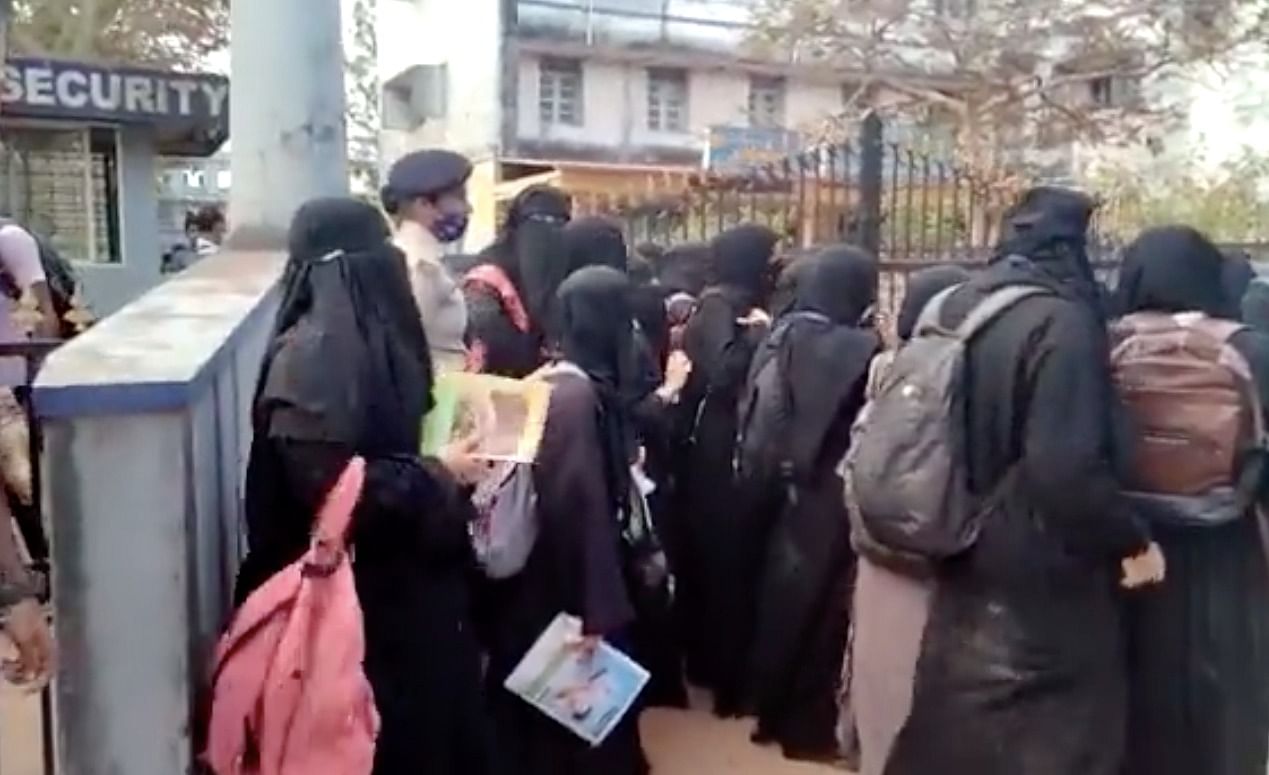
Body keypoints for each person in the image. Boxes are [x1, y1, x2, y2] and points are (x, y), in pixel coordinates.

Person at [883, 187, 1162, 775]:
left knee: (953, 721)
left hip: (960, 540)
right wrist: (1132, 539)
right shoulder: (1062, 322)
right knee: (1053, 737)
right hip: (1041, 573)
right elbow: (1065, 471)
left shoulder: (958, 305)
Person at [234, 198, 490, 775]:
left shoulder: (354, 348)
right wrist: (437, 470)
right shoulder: (314, 360)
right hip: (357, 620)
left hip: (400, 600)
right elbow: (336, 494)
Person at [1114, 226, 1269, 775]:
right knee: (1228, 680)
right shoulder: (1247, 346)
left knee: (1136, 675)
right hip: (1226, 539)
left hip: (1129, 543)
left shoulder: (1108, 340)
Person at [483, 266, 647, 775]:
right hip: (560, 590)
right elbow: (581, 512)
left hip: (525, 582)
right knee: (573, 726)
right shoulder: (577, 399)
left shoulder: (541, 382)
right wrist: (593, 611)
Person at [740, 246, 880, 762]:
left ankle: (768, 714)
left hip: (785, 490)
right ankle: (806, 731)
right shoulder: (862, 348)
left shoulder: (784, 335)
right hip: (834, 494)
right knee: (825, 619)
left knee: (782, 605)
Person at [847, 264, 970, 775]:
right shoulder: (966, 369)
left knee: (878, 666)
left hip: (875, 533)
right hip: (934, 544)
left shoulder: (888, 364)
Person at [675, 223, 778, 715]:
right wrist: (758, 335)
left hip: (724, 445)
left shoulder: (728, 300)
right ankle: (721, 675)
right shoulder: (719, 303)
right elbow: (722, 369)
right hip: (716, 451)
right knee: (724, 562)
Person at [381, 149, 473, 371]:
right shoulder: (420, 265)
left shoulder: (412, 254)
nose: (467, 208)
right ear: (424, 204)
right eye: (459, 198)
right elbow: (406, 343)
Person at [466, 185, 571, 377]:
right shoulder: (488, 273)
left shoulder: (568, 268)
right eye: (537, 220)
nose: (548, 228)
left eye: (558, 222)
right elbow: (484, 331)